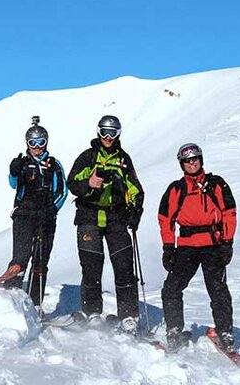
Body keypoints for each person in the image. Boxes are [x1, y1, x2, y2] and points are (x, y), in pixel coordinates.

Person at [66, 114, 144, 331]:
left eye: (113, 133)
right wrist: (89, 183)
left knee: (124, 266)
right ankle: (93, 312)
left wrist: (136, 208)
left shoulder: (123, 159)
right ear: (98, 132)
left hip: (116, 218)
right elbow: (71, 182)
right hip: (89, 216)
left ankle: (128, 315)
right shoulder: (88, 157)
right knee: (91, 267)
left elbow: (135, 186)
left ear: (118, 134)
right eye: (104, 132)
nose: (108, 137)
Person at [157, 142, 237, 352]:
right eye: (187, 161)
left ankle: (225, 332)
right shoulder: (177, 189)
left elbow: (229, 212)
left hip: (213, 244)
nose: (192, 164)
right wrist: (168, 246)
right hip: (186, 246)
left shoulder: (216, 184)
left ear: (201, 161)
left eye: (195, 159)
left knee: (218, 289)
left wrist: (227, 242)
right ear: (181, 164)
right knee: (172, 288)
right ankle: (174, 331)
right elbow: (165, 218)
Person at [1, 117, 67, 305]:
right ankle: (11, 301)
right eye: (33, 143)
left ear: (46, 142)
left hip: (46, 217)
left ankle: (34, 304)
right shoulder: (22, 162)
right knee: (20, 257)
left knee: (40, 261)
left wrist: (52, 209)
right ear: (27, 144)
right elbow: (13, 184)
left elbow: (62, 190)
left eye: (41, 143)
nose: (37, 147)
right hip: (24, 216)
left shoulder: (53, 164)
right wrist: (14, 171)